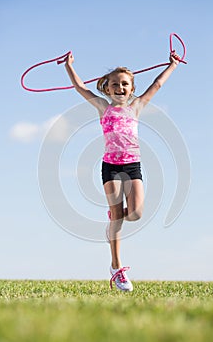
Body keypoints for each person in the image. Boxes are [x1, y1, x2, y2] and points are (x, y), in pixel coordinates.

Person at [65, 51, 179, 291]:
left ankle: (114, 217)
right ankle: (116, 268)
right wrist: (69, 65)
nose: (119, 87)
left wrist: (173, 65)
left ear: (132, 88)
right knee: (117, 217)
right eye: (114, 84)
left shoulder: (136, 107)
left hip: (132, 165)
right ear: (106, 88)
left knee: (136, 213)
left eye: (124, 84)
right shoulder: (103, 107)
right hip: (111, 167)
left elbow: (157, 84)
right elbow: (80, 87)